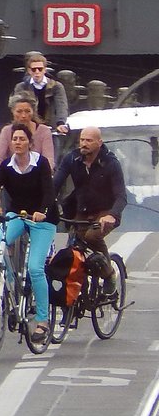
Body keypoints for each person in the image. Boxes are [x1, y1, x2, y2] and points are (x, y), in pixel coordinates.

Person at [0, 123, 60, 344]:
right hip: (19, 215)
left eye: (22, 139)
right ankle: (9, 285)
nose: (17, 142)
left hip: (42, 219)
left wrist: (42, 212)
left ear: (30, 143)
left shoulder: (40, 163)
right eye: (14, 139)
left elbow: (49, 192)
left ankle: (42, 321)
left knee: (35, 267)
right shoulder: (7, 166)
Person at [52, 125, 127, 293]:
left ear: (99, 142)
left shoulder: (111, 163)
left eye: (89, 140)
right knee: (73, 250)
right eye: (82, 140)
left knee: (92, 237)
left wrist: (112, 215)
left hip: (105, 211)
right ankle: (74, 293)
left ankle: (108, 274)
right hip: (81, 210)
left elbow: (121, 195)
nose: (84, 144)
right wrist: (45, 205)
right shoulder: (72, 159)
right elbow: (55, 184)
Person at [0, 94, 55, 181]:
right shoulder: (7, 131)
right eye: (19, 111)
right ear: (12, 111)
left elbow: (49, 158)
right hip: (12, 176)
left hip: (37, 176)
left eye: (27, 111)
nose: (23, 115)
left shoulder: (44, 131)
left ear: (33, 111)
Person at [11, 51, 69, 136]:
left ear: (45, 70)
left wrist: (60, 123)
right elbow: (16, 108)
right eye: (34, 69)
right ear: (29, 70)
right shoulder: (21, 87)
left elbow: (61, 106)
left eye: (40, 69)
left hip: (51, 128)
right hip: (28, 128)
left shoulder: (56, 86)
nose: (37, 72)